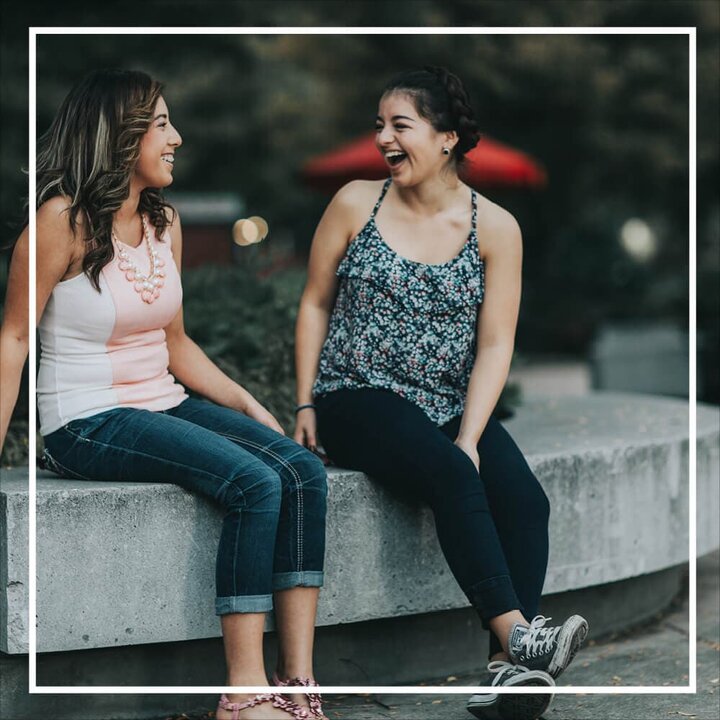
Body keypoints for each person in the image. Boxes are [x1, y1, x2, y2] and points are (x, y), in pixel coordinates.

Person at [0, 69, 327, 720]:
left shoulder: (163, 222)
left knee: (301, 471)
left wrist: (247, 404)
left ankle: (297, 681)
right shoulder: (60, 222)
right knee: (254, 484)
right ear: (119, 138)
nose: (176, 137)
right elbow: (12, 339)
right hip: (86, 420)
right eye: (161, 125)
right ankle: (242, 693)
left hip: (161, 400)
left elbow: (175, 343)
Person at [294, 66, 588, 720]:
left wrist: (470, 432)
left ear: (448, 137)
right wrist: (306, 401)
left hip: (449, 398)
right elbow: (314, 303)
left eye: (399, 125)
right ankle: (520, 638)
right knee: (455, 475)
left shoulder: (497, 227)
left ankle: (506, 677)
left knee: (523, 499)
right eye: (378, 126)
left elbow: (494, 344)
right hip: (355, 394)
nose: (383, 139)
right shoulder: (354, 202)